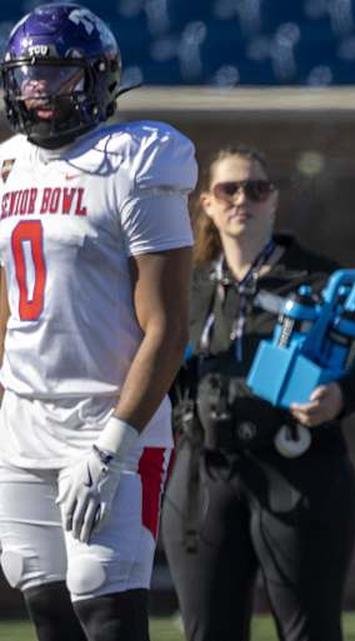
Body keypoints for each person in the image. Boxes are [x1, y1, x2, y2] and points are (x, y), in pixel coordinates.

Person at [160, 145, 355, 641]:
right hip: (205, 470)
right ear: (207, 203)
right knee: (207, 631)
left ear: (273, 201)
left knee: (308, 631)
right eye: (228, 190)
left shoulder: (316, 279)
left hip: (300, 469)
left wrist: (343, 395)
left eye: (256, 189)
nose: (243, 200)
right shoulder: (185, 284)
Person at [0, 4, 194, 640]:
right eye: (28, 75)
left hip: (106, 420)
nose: (39, 89)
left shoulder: (135, 159)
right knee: (44, 601)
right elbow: (9, 310)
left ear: (98, 78)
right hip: (24, 421)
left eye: (57, 73)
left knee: (106, 604)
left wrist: (113, 447)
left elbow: (167, 326)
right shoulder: (9, 165)